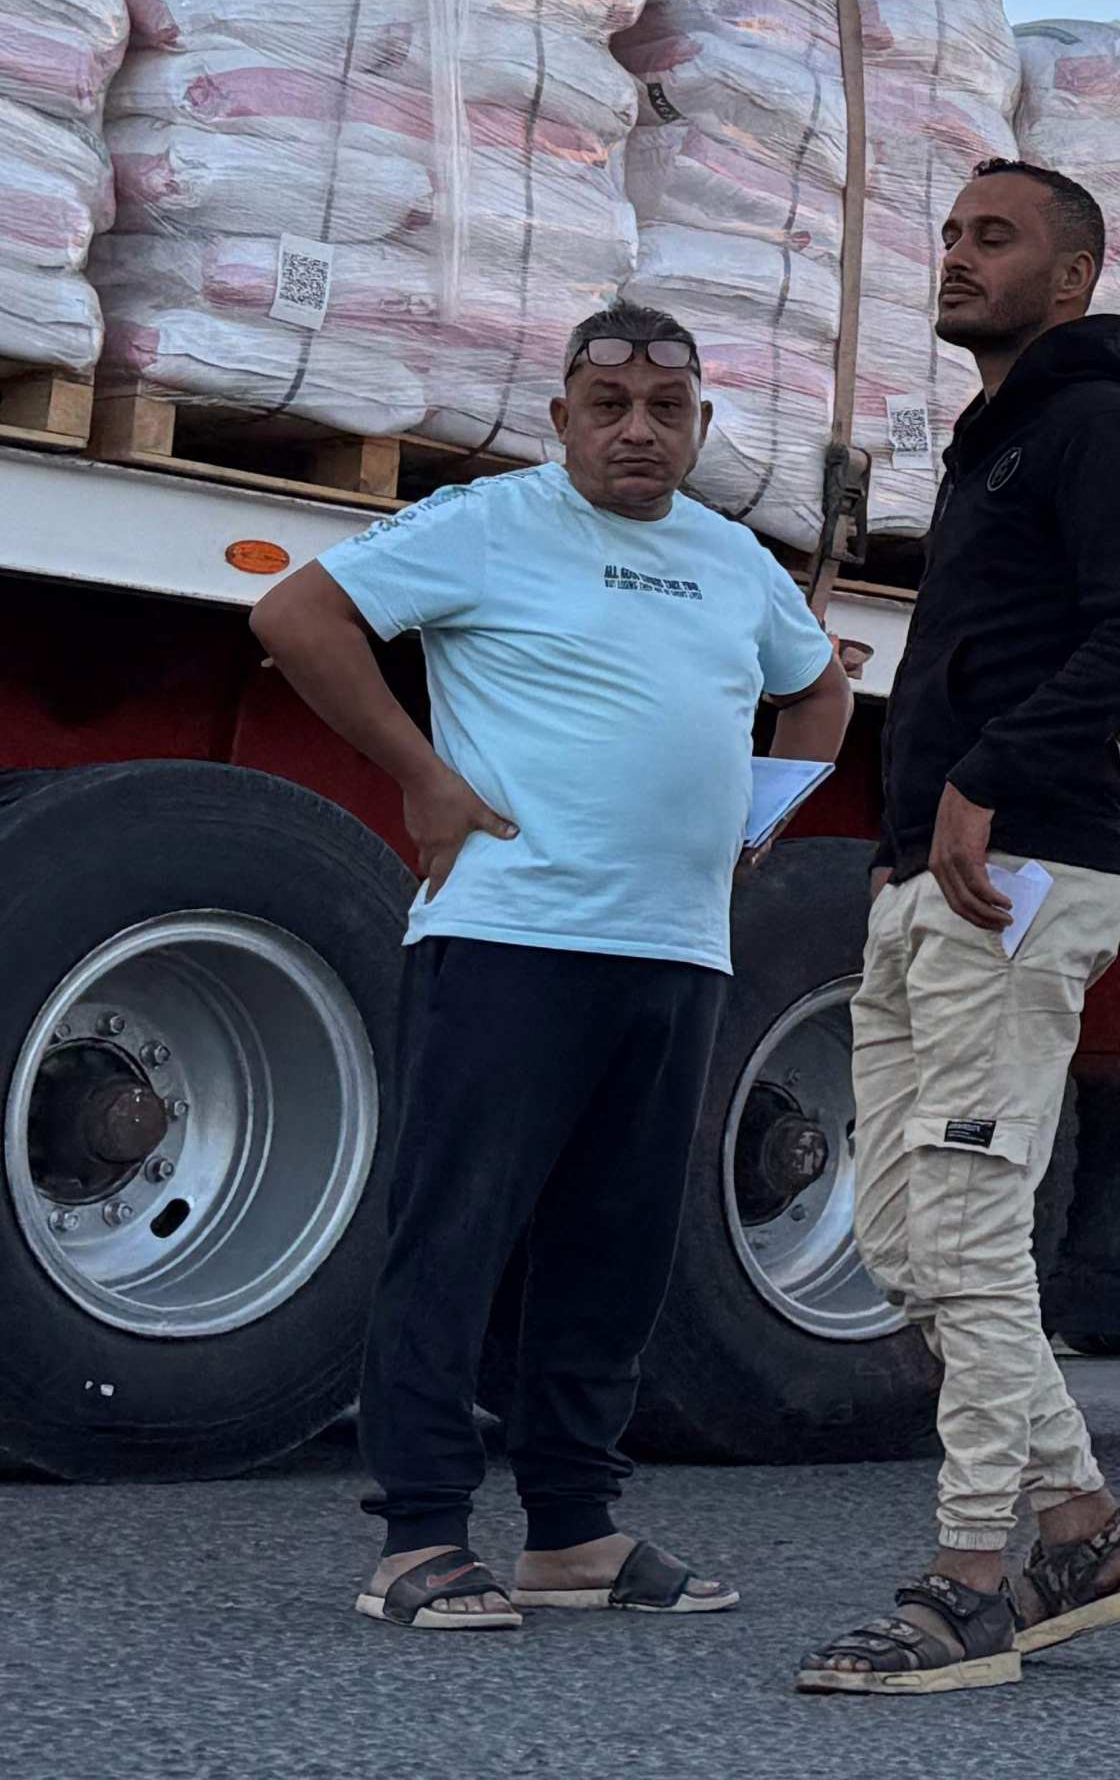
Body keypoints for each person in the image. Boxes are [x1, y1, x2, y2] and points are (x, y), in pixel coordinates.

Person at [253, 303, 851, 1633]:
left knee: (615, 1248)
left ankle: (573, 1532)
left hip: (676, 950)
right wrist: (422, 777)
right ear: (560, 417)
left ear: (702, 423)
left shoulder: (732, 558)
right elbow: (297, 615)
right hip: (511, 936)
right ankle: (418, 1537)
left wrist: (759, 817)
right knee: (456, 1234)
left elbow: (820, 691)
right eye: (608, 403)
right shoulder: (490, 523)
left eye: (668, 408)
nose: (639, 429)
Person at [797, 159, 1120, 1697]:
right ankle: (1085, 1526)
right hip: (930, 884)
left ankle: (970, 1582)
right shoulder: (991, 443)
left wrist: (985, 773)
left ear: (1073, 277)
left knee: (966, 1231)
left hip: (1017, 871)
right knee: (904, 1247)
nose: (957, 256)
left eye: (996, 237)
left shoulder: (1097, 427)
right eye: (951, 233)